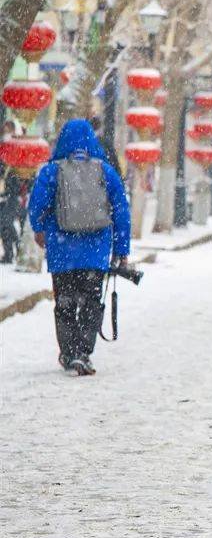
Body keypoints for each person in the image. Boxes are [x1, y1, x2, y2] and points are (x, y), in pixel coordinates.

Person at [27, 119, 131, 376]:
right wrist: (121, 249)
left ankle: (68, 352)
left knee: (64, 302)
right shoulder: (105, 171)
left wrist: (39, 230)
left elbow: (36, 205)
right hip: (95, 251)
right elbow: (121, 211)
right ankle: (84, 352)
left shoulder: (52, 171)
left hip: (62, 251)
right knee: (91, 302)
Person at [0, 159, 21, 263]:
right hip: (3, 202)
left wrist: (6, 194)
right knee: (4, 228)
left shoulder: (11, 170)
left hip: (10, 202)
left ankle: (18, 246)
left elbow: (15, 189)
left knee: (6, 224)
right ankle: (9, 253)